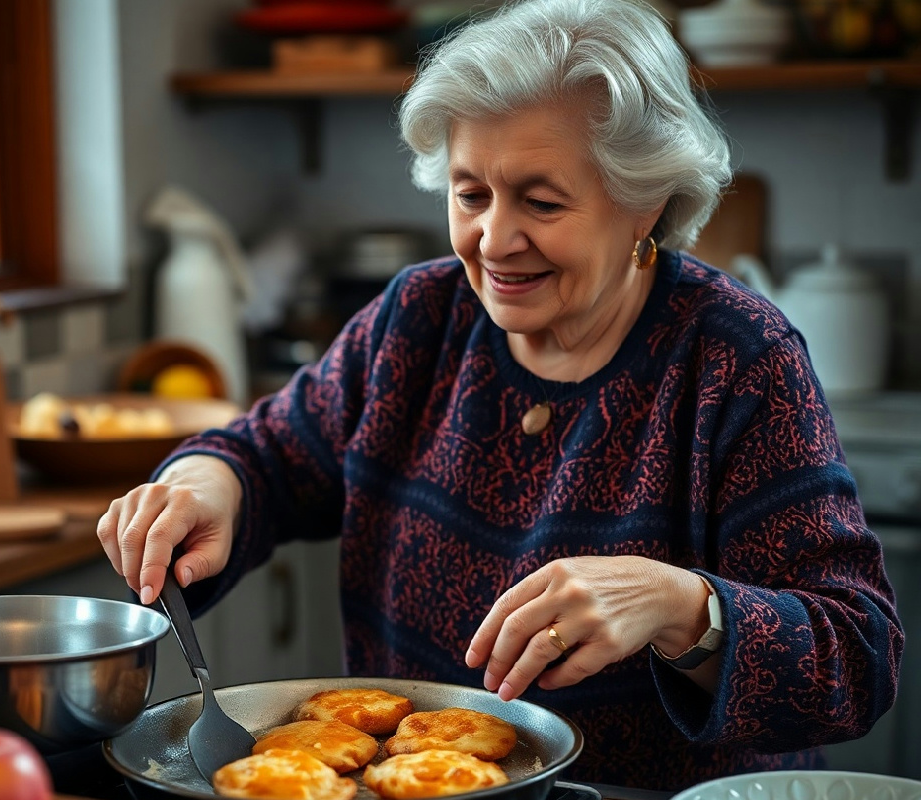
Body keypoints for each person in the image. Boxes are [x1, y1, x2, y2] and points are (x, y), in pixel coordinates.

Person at [97, 0, 903, 789]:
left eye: (542, 202)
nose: (494, 239)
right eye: (470, 193)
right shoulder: (417, 319)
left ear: (643, 202)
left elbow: (858, 658)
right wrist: (205, 485)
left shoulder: (736, 360)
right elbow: (268, 456)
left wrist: (683, 607)